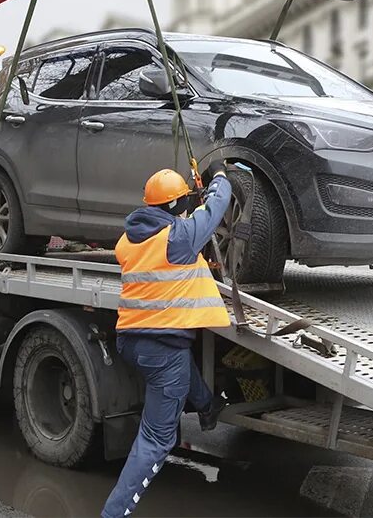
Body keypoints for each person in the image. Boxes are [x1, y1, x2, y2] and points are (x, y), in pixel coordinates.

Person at [101, 162, 233, 518]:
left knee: (180, 368)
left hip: (131, 340)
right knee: (157, 441)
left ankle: (206, 407)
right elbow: (216, 207)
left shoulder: (127, 241)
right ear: (176, 207)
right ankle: (114, 514)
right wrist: (220, 177)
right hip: (161, 347)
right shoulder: (179, 238)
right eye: (183, 203)